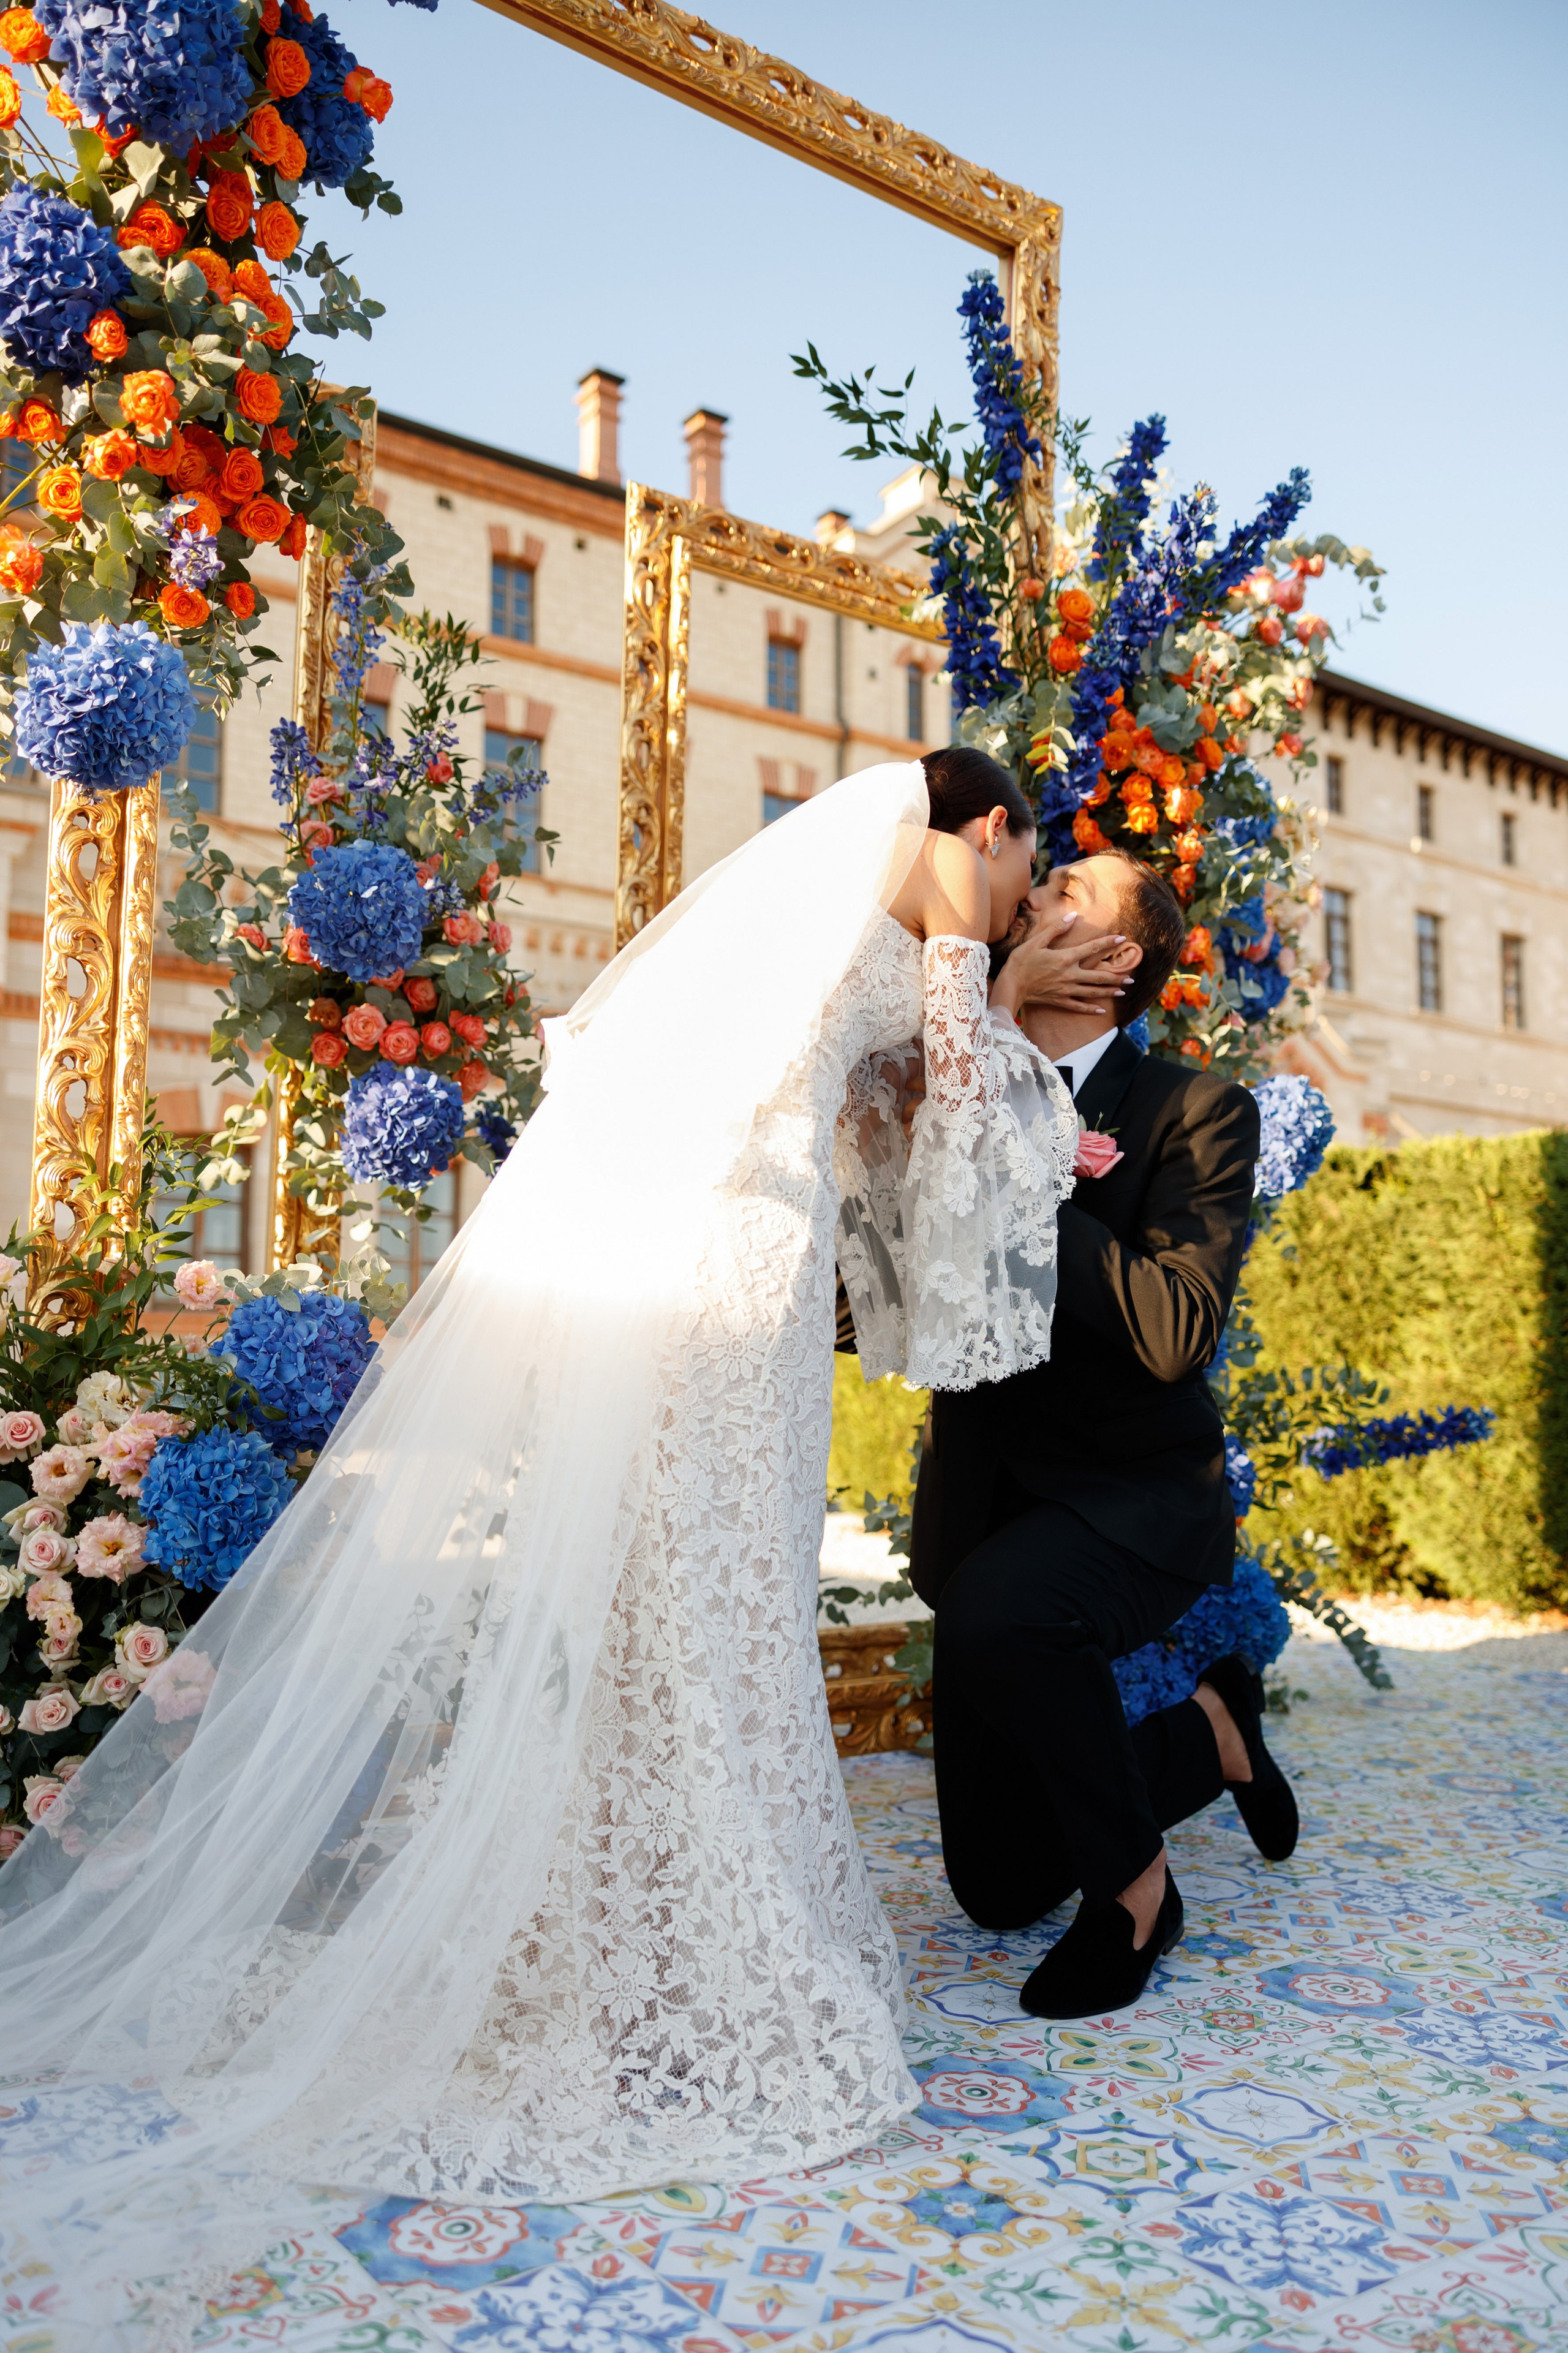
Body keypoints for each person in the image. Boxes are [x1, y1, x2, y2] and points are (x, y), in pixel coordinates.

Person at [0, 752, 1104, 2336]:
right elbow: (961, 1119)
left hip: (709, 1276)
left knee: (680, 1615)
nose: (1015, 896)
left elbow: (884, 1106)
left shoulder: (827, 910)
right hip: (740, 1288)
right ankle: (695, 1970)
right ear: (983, 826)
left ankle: (641, 1946)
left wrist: (987, 1005)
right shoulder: (933, 892)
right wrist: (1010, 991)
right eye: (1023, 866)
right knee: (716, 1620)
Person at [910, 846, 1300, 2021]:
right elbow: (906, 1291)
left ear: (1117, 956)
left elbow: (1178, 1328)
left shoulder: (1196, 1111)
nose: (1030, 896)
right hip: (988, 1505)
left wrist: (1028, 1169)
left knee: (1004, 1608)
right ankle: (1213, 1728)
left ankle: (1138, 1897)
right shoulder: (959, 1078)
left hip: (1136, 1505)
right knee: (999, 1885)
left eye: (1064, 892)